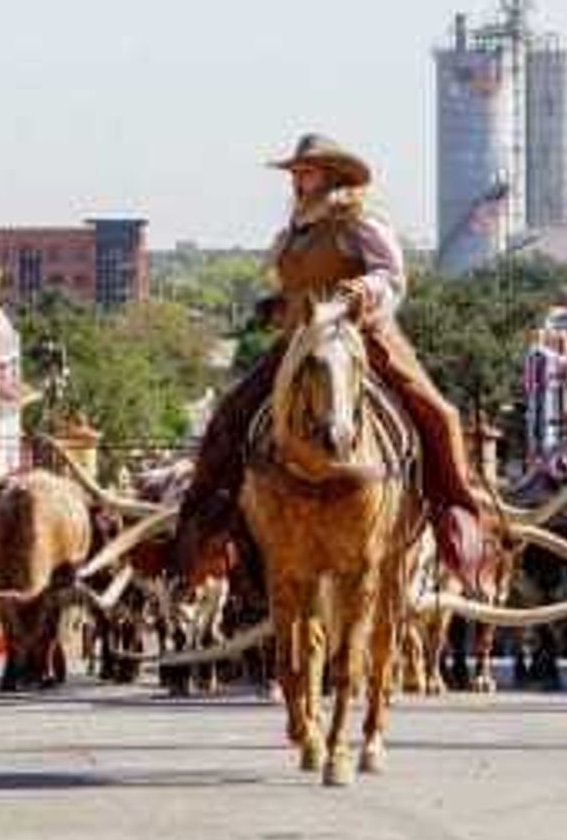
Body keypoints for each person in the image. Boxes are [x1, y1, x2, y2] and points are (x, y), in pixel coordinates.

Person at [178, 134, 494, 591]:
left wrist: (363, 291)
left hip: (359, 336)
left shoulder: (356, 222)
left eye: (306, 170)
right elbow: (297, 287)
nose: (297, 179)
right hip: (300, 340)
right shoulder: (294, 232)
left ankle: (458, 529)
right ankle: (202, 536)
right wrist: (277, 305)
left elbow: (392, 277)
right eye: (295, 172)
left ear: (332, 175)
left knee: (438, 415)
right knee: (228, 418)